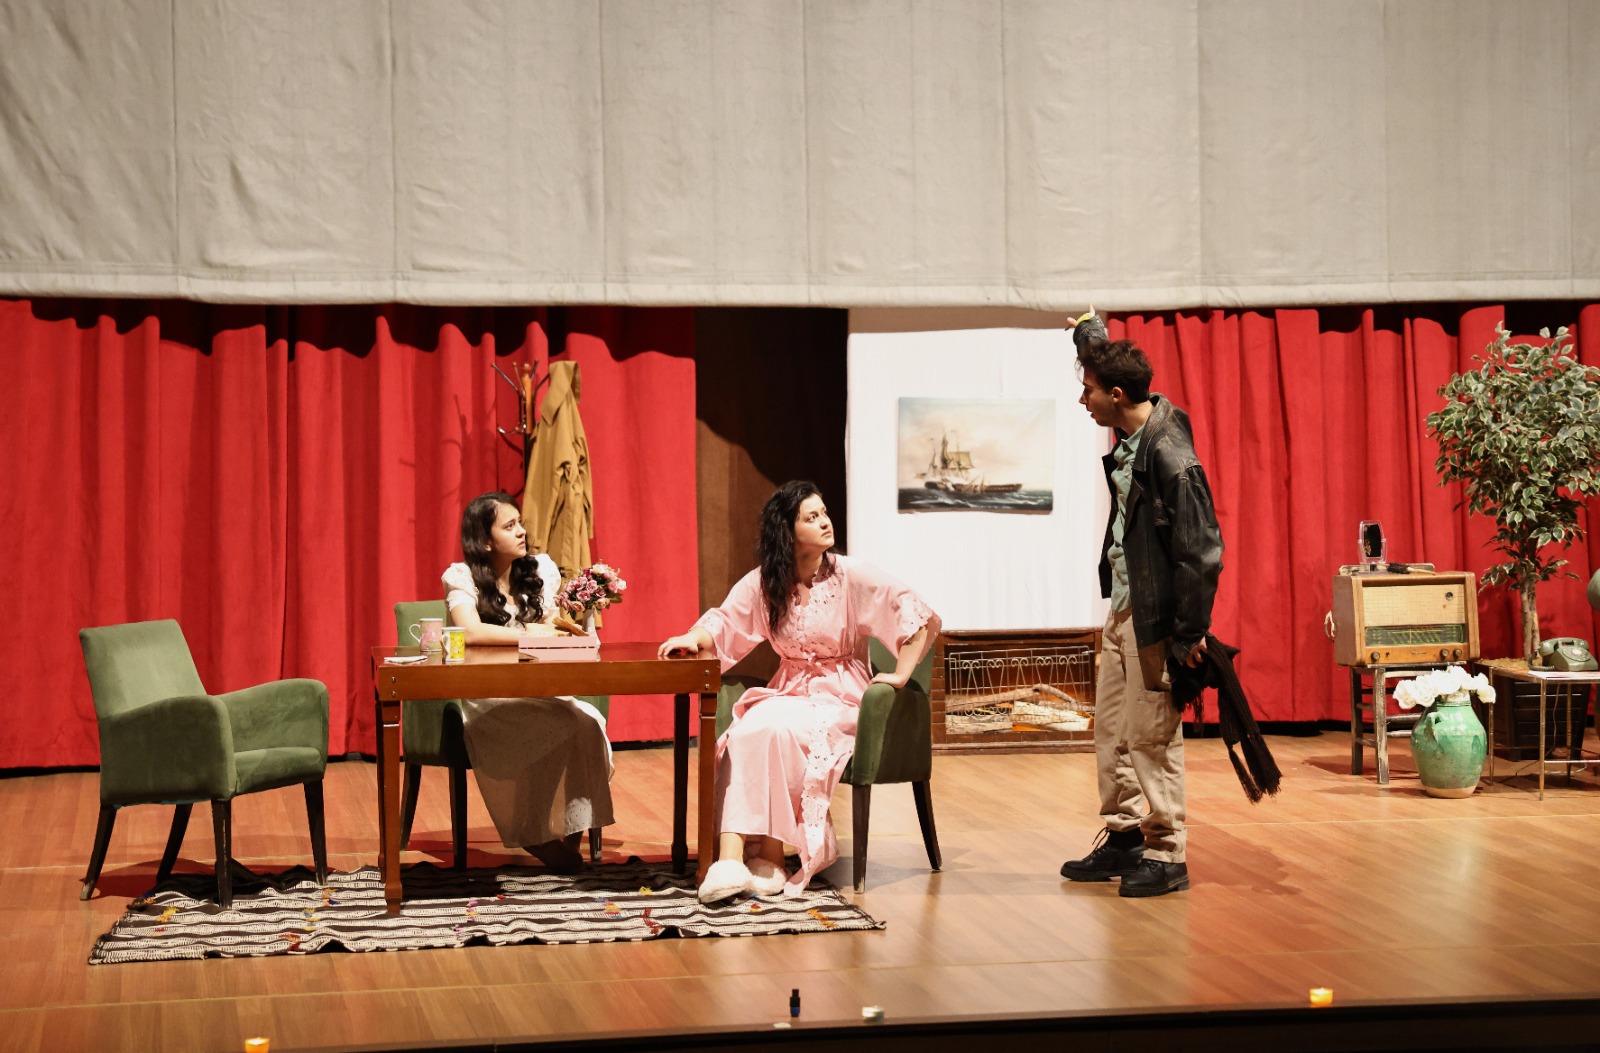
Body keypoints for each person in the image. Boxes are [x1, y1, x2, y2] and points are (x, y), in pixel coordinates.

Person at [659, 481, 941, 903]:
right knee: (748, 730)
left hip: (841, 695)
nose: (825, 522)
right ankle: (732, 860)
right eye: (812, 517)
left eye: (823, 512)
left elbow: (916, 614)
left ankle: (771, 855)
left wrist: (900, 675)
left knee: (777, 730)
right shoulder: (767, 581)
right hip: (788, 691)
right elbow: (725, 622)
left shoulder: (851, 575)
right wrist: (691, 637)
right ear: (787, 532)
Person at [1059, 325, 1223, 898]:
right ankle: (1126, 835)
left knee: (1151, 736)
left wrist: (1188, 634)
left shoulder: (1170, 454)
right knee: (1113, 731)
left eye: (1088, 389)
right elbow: (1104, 367)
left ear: (1116, 395)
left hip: (1155, 620)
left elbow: (1202, 550)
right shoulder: (1132, 430)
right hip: (1125, 608)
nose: (1083, 398)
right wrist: (1088, 337)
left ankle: (1166, 852)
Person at [443, 490, 614, 873]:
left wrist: (574, 620)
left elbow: (552, 624)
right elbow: (469, 632)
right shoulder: (462, 577)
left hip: (538, 690)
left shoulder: (539, 570)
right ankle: (532, 830)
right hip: (489, 696)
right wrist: (531, 636)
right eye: (509, 526)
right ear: (486, 540)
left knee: (588, 722)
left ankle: (569, 834)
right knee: (567, 722)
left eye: (520, 523)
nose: (521, 531)